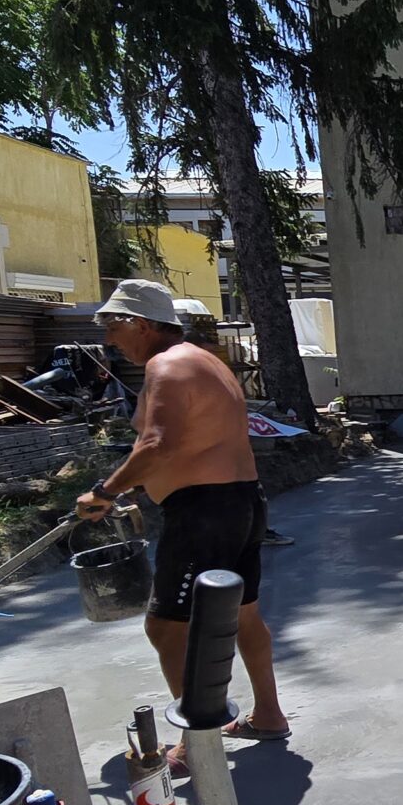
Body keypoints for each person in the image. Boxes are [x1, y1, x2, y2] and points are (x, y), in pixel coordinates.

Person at [76, 279, 290, 767]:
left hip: (203, 514)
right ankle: (268, 714)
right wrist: (134, 484)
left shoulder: (166, 366)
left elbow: (159, 444)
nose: (109, 339)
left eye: (113, 326)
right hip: (242, 502)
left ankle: (197, 743)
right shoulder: (204, 360)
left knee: (168, 628)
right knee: (243, 614)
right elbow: (188, 441)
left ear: (141, 323)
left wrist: (106, 492)